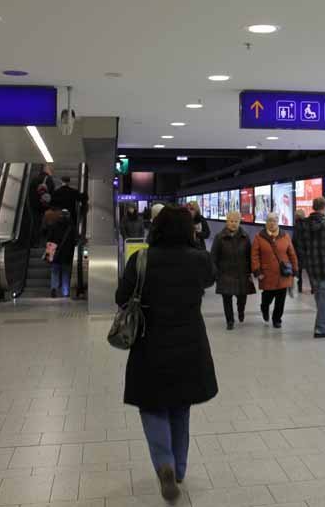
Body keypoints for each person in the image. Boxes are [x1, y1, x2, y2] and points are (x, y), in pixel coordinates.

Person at [115, 206, 217, 502]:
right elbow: (210, 279)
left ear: (156, 228)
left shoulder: (141, 259)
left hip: (150, 345)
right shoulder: (199, 259)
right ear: (189, 230)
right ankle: (180, 469)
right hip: (190, 345)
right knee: (180, 408)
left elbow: (121, 298)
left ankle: (165, 465)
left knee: (152, 407)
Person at [298, 197, 325, 338]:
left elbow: (300, 245)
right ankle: (321, 328)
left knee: (319, 297)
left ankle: (322, 324)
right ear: (324, 207)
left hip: (312, 266)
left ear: (313, 206)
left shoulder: (304, 224)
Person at [251, 212, 298, 329]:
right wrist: (257, 271)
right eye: (269, 221)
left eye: (274, 221)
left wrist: (295, 269)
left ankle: (277, 319)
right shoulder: (259, 237)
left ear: (278, 222)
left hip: (283, 273)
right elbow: (254, 255)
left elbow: (292, 254)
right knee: (267, 296)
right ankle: (264, 308)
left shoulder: (285, 236)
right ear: (266, 222)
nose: (272, 223)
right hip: (266, 274)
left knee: (281, 299)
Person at [210, 211, 256, 330]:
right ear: (227, 221)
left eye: (236, 221)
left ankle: (241, 311)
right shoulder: (219, 237)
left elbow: (250, 255)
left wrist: (251, 271)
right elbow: (213, 256)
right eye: (231, 221)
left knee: (242, 298)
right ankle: (230, 321)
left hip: (242, 273)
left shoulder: (245, 237)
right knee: (227, 298)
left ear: (239, 222)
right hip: (225, 273)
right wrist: (215, 272)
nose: (233, 223)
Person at [45, 208, 77, 298]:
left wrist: (49, 253)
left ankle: (54, 288)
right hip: (67, 254)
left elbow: (49, 239)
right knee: (65, 273)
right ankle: (65, 292)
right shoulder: (71, 228)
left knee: (55, 271)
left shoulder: (54, 226)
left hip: (55, 253)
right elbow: (74, 241)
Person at [292, 208, 309, 294]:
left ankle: (299, 287)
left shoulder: (297, 226)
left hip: (298, 250)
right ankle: (314, 288)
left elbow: (295, 239)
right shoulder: (308, 224)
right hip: (307, 250)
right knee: (309, 270)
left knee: (298, 270)